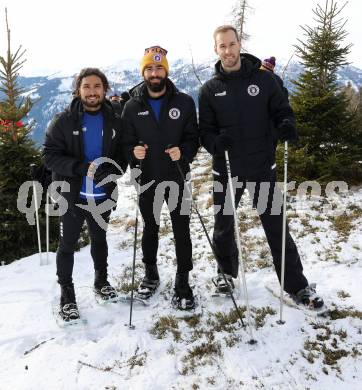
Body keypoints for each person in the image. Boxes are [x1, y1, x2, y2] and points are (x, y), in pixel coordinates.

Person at [198, 25, 324, 309]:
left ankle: (297, 286)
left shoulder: (265, 81)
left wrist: (287, 124)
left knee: (276, 225)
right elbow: (204, 131)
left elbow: (282, 111)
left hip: (260, 166)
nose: (228, 51)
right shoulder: (209, 90)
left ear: (239, 44)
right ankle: (226, 274)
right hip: (227, 169)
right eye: (222, 46)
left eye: (232, 44)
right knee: (224, 226)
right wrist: (215, 142)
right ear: (216, 50)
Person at [43, 68, 128, 322]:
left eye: (97, 86)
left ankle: (101, 282)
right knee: (67, 245)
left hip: (101, 197)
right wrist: (81, 168)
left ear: (105, 89)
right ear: (78, 90)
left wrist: (113, 172)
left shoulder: (115, 120)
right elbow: (49, 156)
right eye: (87, 87)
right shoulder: (64, 121)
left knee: (99, 240)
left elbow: (122, 156)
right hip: (71, 197)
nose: (92, 92)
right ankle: (67, 296)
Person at [122, 46, 199, 310]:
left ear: (166, 70)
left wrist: (184, 152)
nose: (154, 73)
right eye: (149, 69)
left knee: (182, 229)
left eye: (159, 68)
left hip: (176, 176)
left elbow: (193, 138)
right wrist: (133, 152)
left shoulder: (184, 102)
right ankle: (151, 274)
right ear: (143, 72)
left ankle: (183, 281)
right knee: (150, 227)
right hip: (147, 177)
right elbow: (124, 142)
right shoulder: (131, 106)